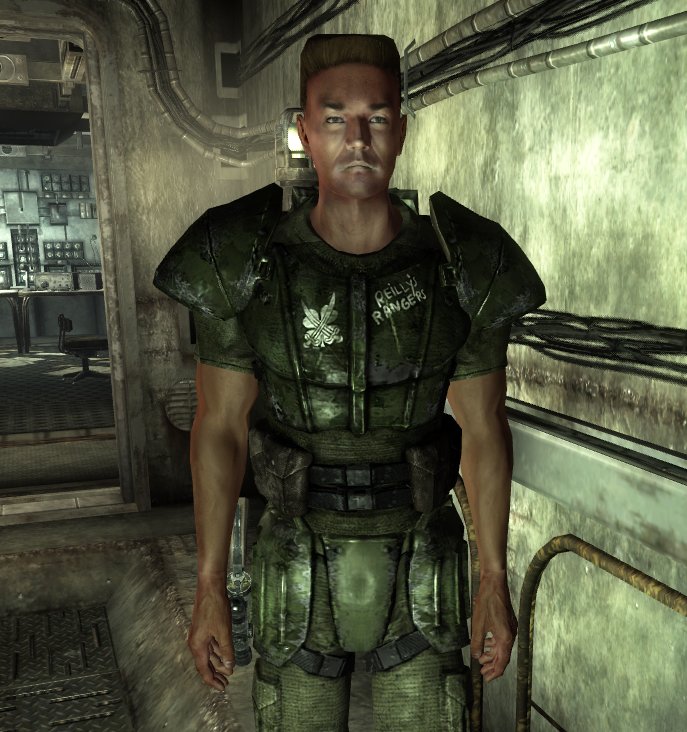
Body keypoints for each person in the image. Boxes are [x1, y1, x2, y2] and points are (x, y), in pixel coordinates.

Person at [153, 33, 546, 732]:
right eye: (335, 118)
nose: (357, 140)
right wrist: (208, 584)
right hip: (294, 568)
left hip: (422, 564)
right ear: (304, 131)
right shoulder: (243, 261)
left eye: (377, 118)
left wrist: (493, 578)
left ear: (402, 129)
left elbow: (484, 427)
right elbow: (219, 427)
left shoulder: (464, 264)